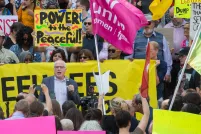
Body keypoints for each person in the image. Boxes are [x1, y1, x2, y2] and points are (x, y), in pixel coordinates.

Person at [130, 17, 172, 83]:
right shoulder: (135, 37)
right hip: (139, 74)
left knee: (157, 92)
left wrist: (168, 72)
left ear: (154, 24)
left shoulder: (161, 37)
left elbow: (167, 55)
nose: (147, 25)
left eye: (149, 23)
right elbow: (130, 55)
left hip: (157, 73)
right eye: (145, 23)